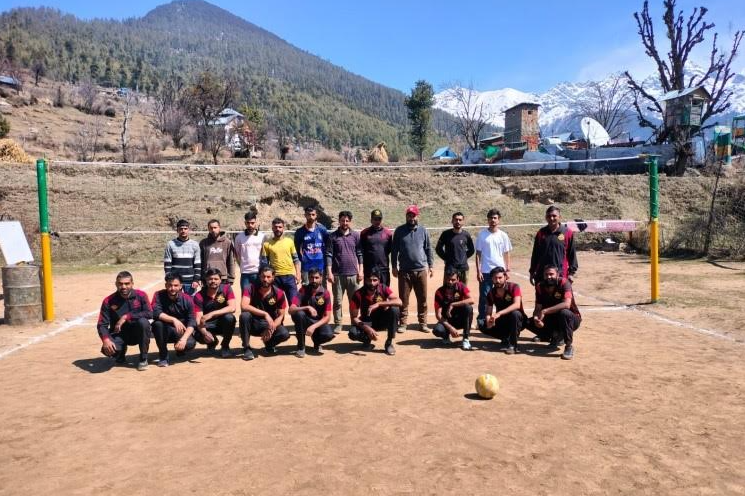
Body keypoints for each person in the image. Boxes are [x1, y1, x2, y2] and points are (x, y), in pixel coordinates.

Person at [96, 271, 152, 371]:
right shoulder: (108, 301)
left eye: (127, 283)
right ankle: (120, 352)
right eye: (120, 284)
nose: (124, 287)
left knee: (144, 323)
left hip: (137, 333)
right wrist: (105, 340)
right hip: (120, 334)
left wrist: (127, 316)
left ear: (132, 284)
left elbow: (150, 313)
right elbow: (102, 324)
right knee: (108, 351)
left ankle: (143, 359)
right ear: (116, 284)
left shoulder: (141, 295)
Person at [391, 205, 433, 333]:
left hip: (421, 270)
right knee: (403, 299)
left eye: (413, 215)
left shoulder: (423, 231)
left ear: (417, 216)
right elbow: (394, 250)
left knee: (423, 298)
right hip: (404, 271)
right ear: (406, 216)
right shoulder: (399, 231)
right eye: (409, 215)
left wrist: (430, 265)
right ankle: (403, 323)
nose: (411, 217)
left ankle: (423, 323)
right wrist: (393, 266)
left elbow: (428, 249)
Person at [527, 265, 581, 360]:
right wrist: (536, 318)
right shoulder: (540, 286)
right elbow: (538, 307)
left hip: (572, 319)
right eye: (546, 274)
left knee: (564, 313)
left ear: (557, 274)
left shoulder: (564, 283)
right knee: (527, 322)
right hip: (552, 318)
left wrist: (545, 311)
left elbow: (567, 304)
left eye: (551, 274)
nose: (548, 277)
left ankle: (568, 346)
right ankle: (554, 336)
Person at [238, 266, 291, 360]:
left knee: (284, 334)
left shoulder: (279, 293)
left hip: (269, 324)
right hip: (253, 323)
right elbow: (244, 305)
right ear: (259, 277)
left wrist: (272, 326)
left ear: (273, 277)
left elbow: (281, 315)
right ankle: (246, 348)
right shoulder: (250, 288)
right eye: (263, 276)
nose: (265, 279)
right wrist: (265, 314)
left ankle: (269, 345)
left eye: (268, 277)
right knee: (244, 316)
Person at [325, 210, 363, 334]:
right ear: (339, 221)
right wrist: (329, 272)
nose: (345, 223)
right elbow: (329, 255)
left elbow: (360, 254)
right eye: (342, 220)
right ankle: (338, 323)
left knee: (355, 301)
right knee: (337, 301)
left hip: (353, 274)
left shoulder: (356, 235)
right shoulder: (333, 236)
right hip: (338, 274)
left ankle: (354, 322)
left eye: (347, 220)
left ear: (350, 221)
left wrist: (360, 271)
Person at [349, 268, 402, 356]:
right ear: (365, 280)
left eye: (375, 280)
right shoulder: (358, 294)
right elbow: (354, 318)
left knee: (394, 310)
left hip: (382, 321)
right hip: (367, 322)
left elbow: (399, 302)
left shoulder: (383, 288)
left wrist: (379, 304)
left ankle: (389, 343)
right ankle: (367, 339)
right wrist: (367, 328)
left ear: (379, 280)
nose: (372, 283)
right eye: (369, 280)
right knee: (353, 333)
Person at [475, 209, 513, 327]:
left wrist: (507, 269)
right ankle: (482, 321)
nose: (493, 220)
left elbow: (506, 253)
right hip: (486, 272)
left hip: (500, 272)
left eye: (495, 218)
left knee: (501, 296)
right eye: (491, 218)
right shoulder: (482, 234)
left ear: (499, 220)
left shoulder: (503, 235)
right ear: (488, 220)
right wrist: (478, 271)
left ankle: (500, 319)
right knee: (484, 297)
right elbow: (478, 254)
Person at [151, 273, 198, 367]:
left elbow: (192, 321)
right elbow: (155, 312)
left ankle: (179, 348)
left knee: (189, 344)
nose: (172, 288)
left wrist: (184, 339)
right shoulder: (158, 295)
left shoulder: (188, 299)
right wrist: (173, 320)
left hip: (181, 331)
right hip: (165, 329)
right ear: (165, 285)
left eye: (176, 285)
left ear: (181, 286)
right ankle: (163, 356)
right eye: (169, 285)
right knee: (157, 324)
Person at [289, 268, 335, 357]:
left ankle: (316, 342)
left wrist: (313, 327)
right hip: (305, 321)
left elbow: (327, 317)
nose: (314, 280)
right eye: (311, 278)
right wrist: (307, 307)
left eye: (316, 277)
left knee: (328, 334)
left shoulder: (325, 293)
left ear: (321, 278)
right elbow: (291, 309)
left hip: (318, 323)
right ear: (308, 278)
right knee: (299, 314)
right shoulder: (303, 290)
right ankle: (301, 347)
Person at [193, 268, 237, 359]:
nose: (213, 281)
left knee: (230, 318)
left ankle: (225, 346)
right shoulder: (199, 295)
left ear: (220, 280)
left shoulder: (226, 288)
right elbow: (198, 319)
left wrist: (212, 314)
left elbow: (232, 308)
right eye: (210, 279)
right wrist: (205, 333)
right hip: (208, 325)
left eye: (216, 279)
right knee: (197, 333)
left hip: (222, 323)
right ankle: (212, 342)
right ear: (206, 280)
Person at [482, 266, 526, 355]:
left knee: (515, 314)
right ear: (492, 279)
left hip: (518, 320)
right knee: (481, 324)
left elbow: (517, 304)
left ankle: (513, 345)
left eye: (500, 278)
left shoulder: (514, 287)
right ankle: (505, 337)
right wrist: (488, 320)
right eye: (495, 278)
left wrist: (499, 313)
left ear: (505, 277)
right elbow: (488, 312)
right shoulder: (491, 293)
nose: (498, 280)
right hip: (503, 320)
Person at [529, 205, 578, 285]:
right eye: (549, 216)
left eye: (554, 216)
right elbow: (535, 255)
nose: (551, 218)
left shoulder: (567, 233)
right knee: (542, 297)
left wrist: (571, 273)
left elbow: (572, 254)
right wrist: (532, 272)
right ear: (546, 217)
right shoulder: (541, 233)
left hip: (561, 274)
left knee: (563, 297)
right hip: (543, 275)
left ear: (560, 217)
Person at [432, 268, 475, 350]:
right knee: (437, 330)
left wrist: (453, 304)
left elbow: (472, 300)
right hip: (447, 320)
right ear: (445, 279)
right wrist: (450, 328)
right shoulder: (439, 292)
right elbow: (438, 315)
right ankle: (446, 336)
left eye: (453, 280)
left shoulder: (461, 286)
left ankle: (465, 339)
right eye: (448, 279)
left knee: (468, 308)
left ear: (458, 279)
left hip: (460, 319)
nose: (450, 282)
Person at [261, 217, 301, 305]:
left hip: (289, 277)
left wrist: (298, 274)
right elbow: (264, 263)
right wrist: (266, 277)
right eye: (275, 227)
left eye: (280, 227)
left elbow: (296, 259)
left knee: (295, 304)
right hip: (275, 278)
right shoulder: (267, 244)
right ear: (272, 228)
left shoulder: (289, 242)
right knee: (275, 305)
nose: (277, 229)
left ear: (283, 228)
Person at [435, 211, 475, 285]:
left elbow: (472, 250)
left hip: (463, 268)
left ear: (463, 222)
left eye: (460, 220)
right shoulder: (445, 234)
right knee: (448, 292)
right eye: (456, 219)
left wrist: (464, 258)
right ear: (452, 221)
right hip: (450, 268)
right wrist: (446, 258)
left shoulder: (466, 235)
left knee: (463, 291)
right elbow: (438, 249)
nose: (458, 221)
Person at [294, 206, 330, 286]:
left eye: (313, 214)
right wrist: (302, 260)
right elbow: (296, 249)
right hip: (306, 266)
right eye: (308, 214)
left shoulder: (322, 230)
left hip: (320, 265)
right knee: (306, 289)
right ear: (305, 215)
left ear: (316, 215)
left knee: (322, 289)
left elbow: (328, 246)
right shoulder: (300, 232)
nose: (311, 217)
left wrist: (327, 264)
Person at [164, 219, 201, 296]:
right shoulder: (170, 244)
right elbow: (167, 264)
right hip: (176, 281)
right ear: (177, 230)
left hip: (190, 281)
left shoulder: (195, 244)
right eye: (181, 229)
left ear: (189, 230)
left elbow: (197, 263)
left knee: (191, 303)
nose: (183, 231)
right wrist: (169, 279)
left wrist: (196, 279)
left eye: (185, 229)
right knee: (176, 302)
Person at [360, 208, 393, 287]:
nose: (377, 221)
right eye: (375, 219)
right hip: (369, 269)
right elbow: (361, 251)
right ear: (371, 220)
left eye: (379, 219)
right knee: (369, 293)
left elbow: (389, 250)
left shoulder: (388, 233)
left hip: (383, 268)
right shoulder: (364, 233)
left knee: (384, 292)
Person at [234, 211, 265, 293]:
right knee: (245, 297)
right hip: (245, 273)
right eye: (248, 223)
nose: (250, 225)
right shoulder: (239, 237)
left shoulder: (262, 237)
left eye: (252, 223)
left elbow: (264, 254)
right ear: (245, 223)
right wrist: (242, 265)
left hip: (259, 272)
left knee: (259, 298)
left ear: (256, 222)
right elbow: (237, 254)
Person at [199, 219, 235, 285]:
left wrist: (231, 278)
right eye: (211, 228)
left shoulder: (227, 242)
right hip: (208, 277)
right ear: (208, 229)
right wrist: (201, 277)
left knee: (222, 295)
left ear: (219, 228)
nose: (213, 230)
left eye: (215, 227)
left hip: (223, 277)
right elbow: (201, 261)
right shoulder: (203, 243)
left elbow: (231, 261)